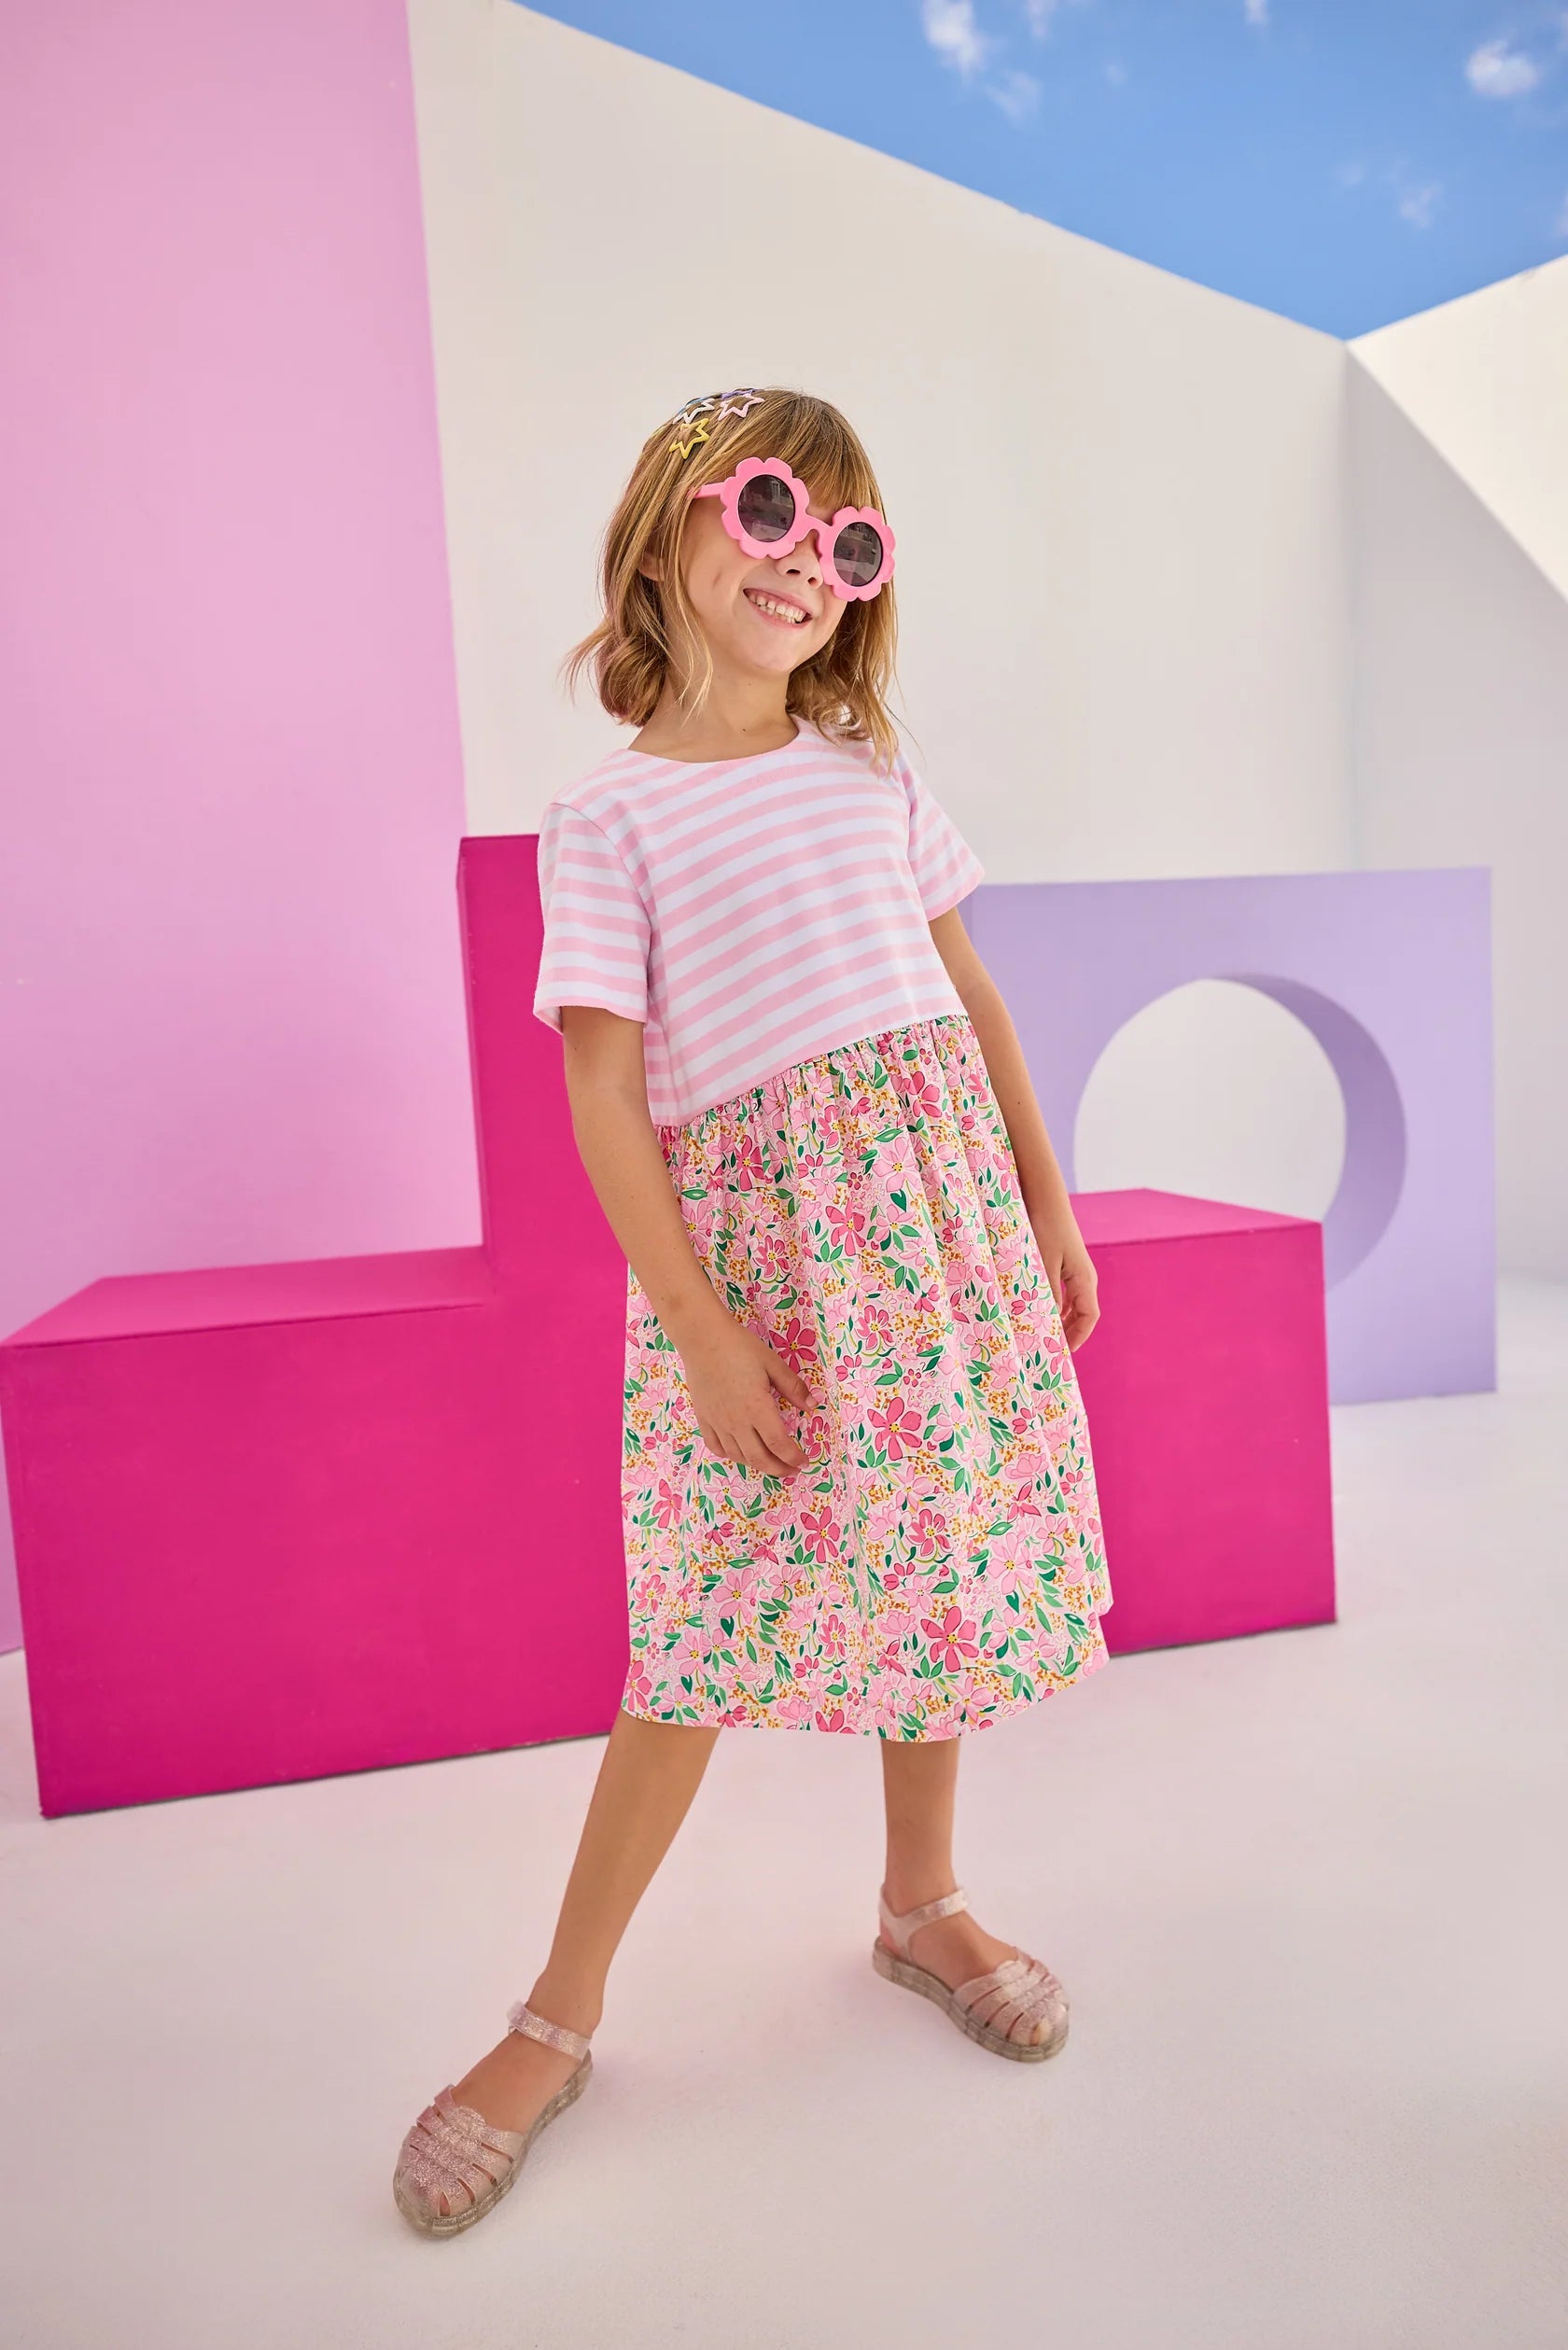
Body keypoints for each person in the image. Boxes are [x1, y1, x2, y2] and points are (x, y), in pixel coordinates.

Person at [392, 386, 1113, 2236]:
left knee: (933, 1564)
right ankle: (557, 2013)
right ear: (674, 525)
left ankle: (920, 1902)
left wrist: (1045, 1199)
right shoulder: (609, 815)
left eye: (850, 543)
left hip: (936, 1243)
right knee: (696, 1632)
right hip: (768, 1274)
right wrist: (707, 1333)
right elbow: (603, 1097)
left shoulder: (871, 772)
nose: (810, 564)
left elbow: (971, 995)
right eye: (775, 511)